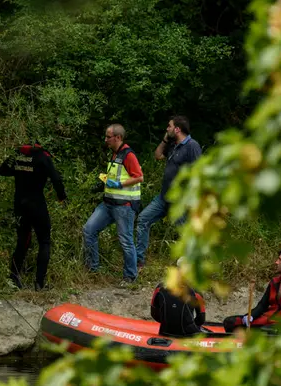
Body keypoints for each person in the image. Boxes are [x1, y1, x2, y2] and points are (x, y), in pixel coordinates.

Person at [136, 115, 202, 269]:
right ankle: (139, 261)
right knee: (143, 219)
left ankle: (189, 265)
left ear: (177, 129)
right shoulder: (172, 144)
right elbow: (158, 156)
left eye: (169, 126)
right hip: (163, 197)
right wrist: (165, 139)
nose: (167, 129)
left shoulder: (192, 146)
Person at [0, 142, 66, 291]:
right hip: (37, 204)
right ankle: (39, 283)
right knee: (44, 241)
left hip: (19, 204)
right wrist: (62, 197)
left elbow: (2, 170)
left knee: (22, 241)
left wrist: (19, 171)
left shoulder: (17, 154)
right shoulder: (43, 157)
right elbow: (56, 179)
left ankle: (14, 279)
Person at [82, 124, 143, 282]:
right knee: (89, 230)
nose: (106, 140)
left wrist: (119, 185)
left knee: (126, 240)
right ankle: (92, 269)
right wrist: (104, 181)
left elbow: (139, 177)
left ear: (118, 137)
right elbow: (117, 175)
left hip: (124, 206)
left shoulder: (128, 155)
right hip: (108, 203)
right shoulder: (115, 153)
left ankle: (130, 277)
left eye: (108, 137)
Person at [223, 249, 281, 332]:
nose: (276, 262)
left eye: (279, 260)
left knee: (264, 331)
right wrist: (251, 316)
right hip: (265, 320)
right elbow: (262, 305)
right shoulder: (274, 282)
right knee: (230, 322)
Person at [150, 257, 206, 337]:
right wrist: (189, 324)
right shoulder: (195, 291)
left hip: (165, 332)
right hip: (187, 335)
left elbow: (154, 314)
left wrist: (169, 322)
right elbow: (201, 319)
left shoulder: (160, 287)